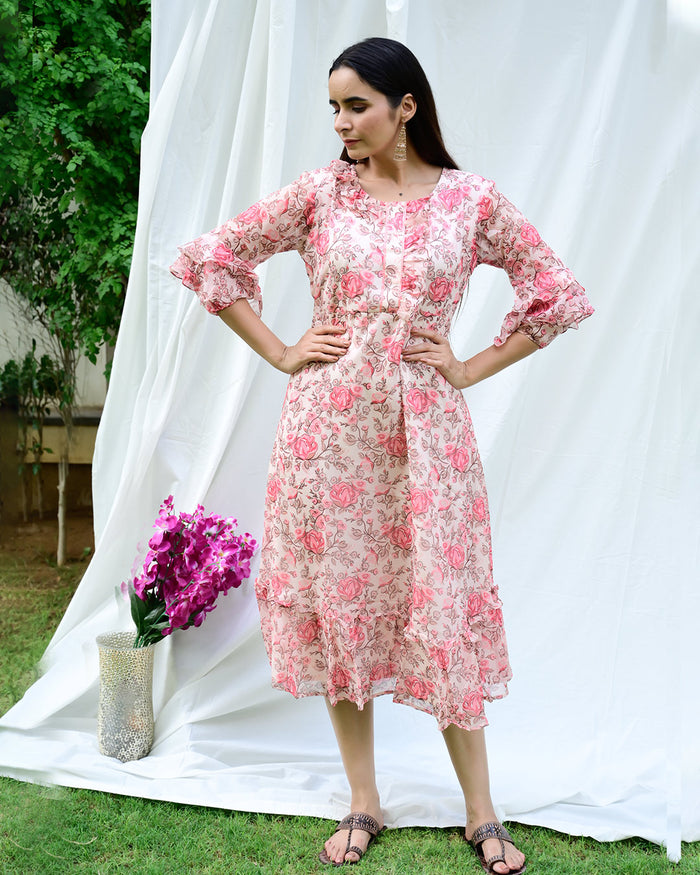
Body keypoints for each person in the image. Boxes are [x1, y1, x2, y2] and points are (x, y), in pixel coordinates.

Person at [171, 37, 593, 874]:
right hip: (329, 437)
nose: (341, 123)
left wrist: (470, 366)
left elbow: (554, 289)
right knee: (344, 605)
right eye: (333, 107)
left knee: (440, 606)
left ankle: (482, 810)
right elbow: (209, 257)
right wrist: (283, 351)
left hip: (428, 440)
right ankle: (363, 798)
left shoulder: (472, 203)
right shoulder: (321, 195)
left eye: (356, 105)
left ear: (406, 108)